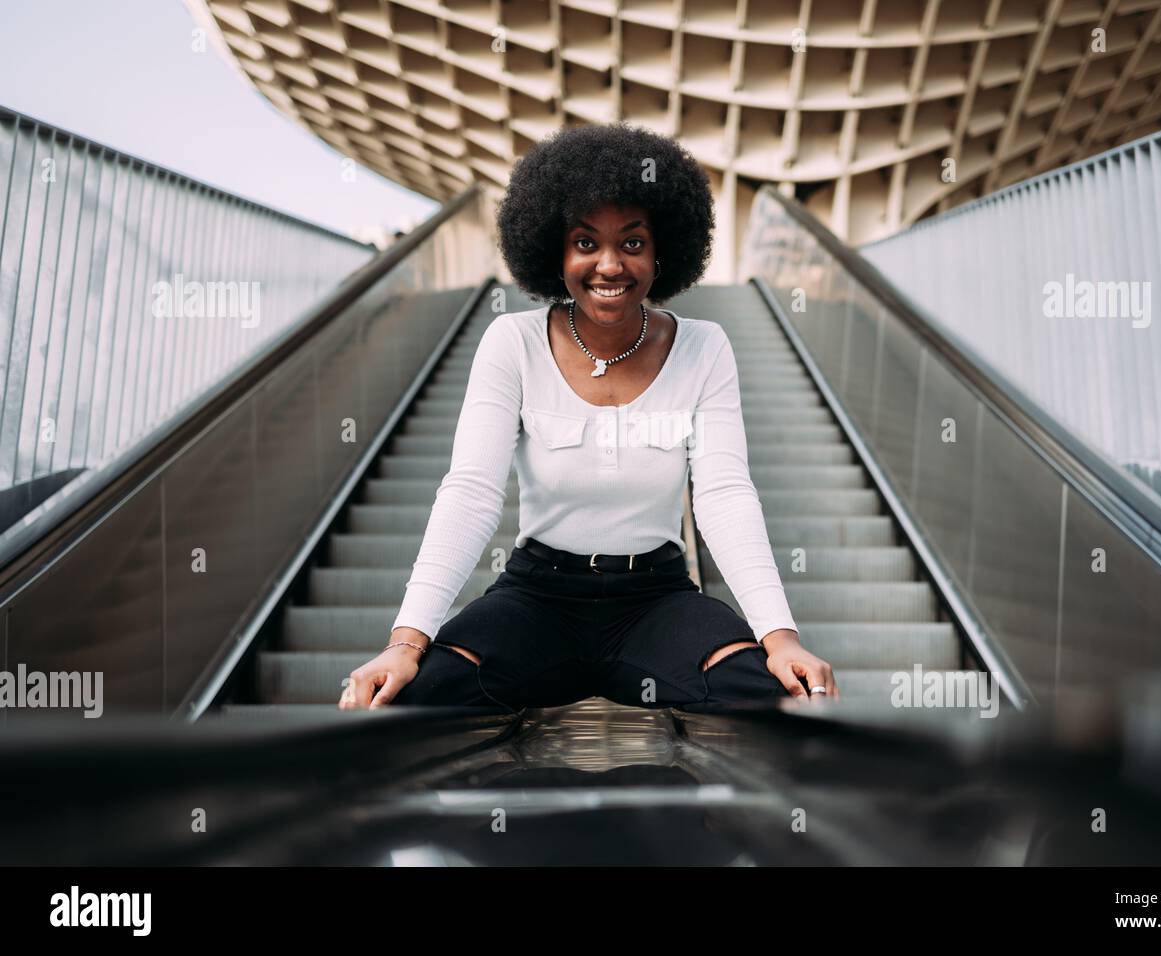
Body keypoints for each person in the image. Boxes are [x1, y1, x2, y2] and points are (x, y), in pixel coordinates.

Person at [339, 123, 838, 714]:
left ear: (661, 253)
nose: (609, 265)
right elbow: (471, 491)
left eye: (632, 243)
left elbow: (724, 494)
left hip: (658, 602)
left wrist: (780, 638)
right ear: (555, 251)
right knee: (403, 699)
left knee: (783, 699)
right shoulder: (512, 342)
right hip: (536, 599)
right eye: (585, 243)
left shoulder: (705, 347)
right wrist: (406, 642)